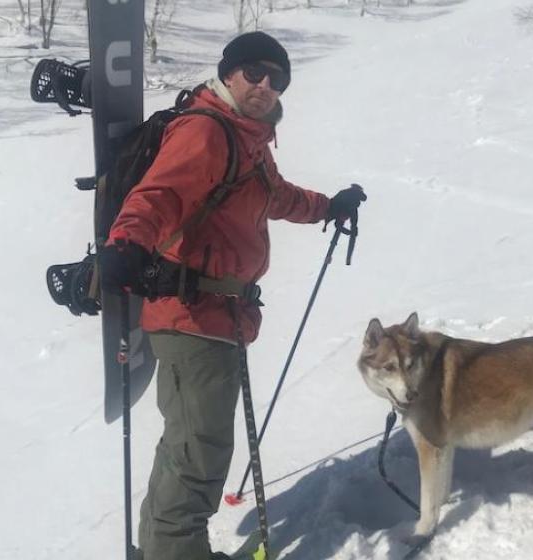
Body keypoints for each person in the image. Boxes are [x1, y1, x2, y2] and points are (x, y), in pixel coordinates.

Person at [99, 31, 366, 560]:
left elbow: (278, 197)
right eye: (254, 73)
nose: (266, 85)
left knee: (185, 450)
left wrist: (327, 207)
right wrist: (127, 241)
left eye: (277, 78)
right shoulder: (207, 132)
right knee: (200, 458)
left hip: (215, 318)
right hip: (192, 318)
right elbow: (159, 195)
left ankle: (162, 552)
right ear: (228, 73)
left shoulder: (247, 140)